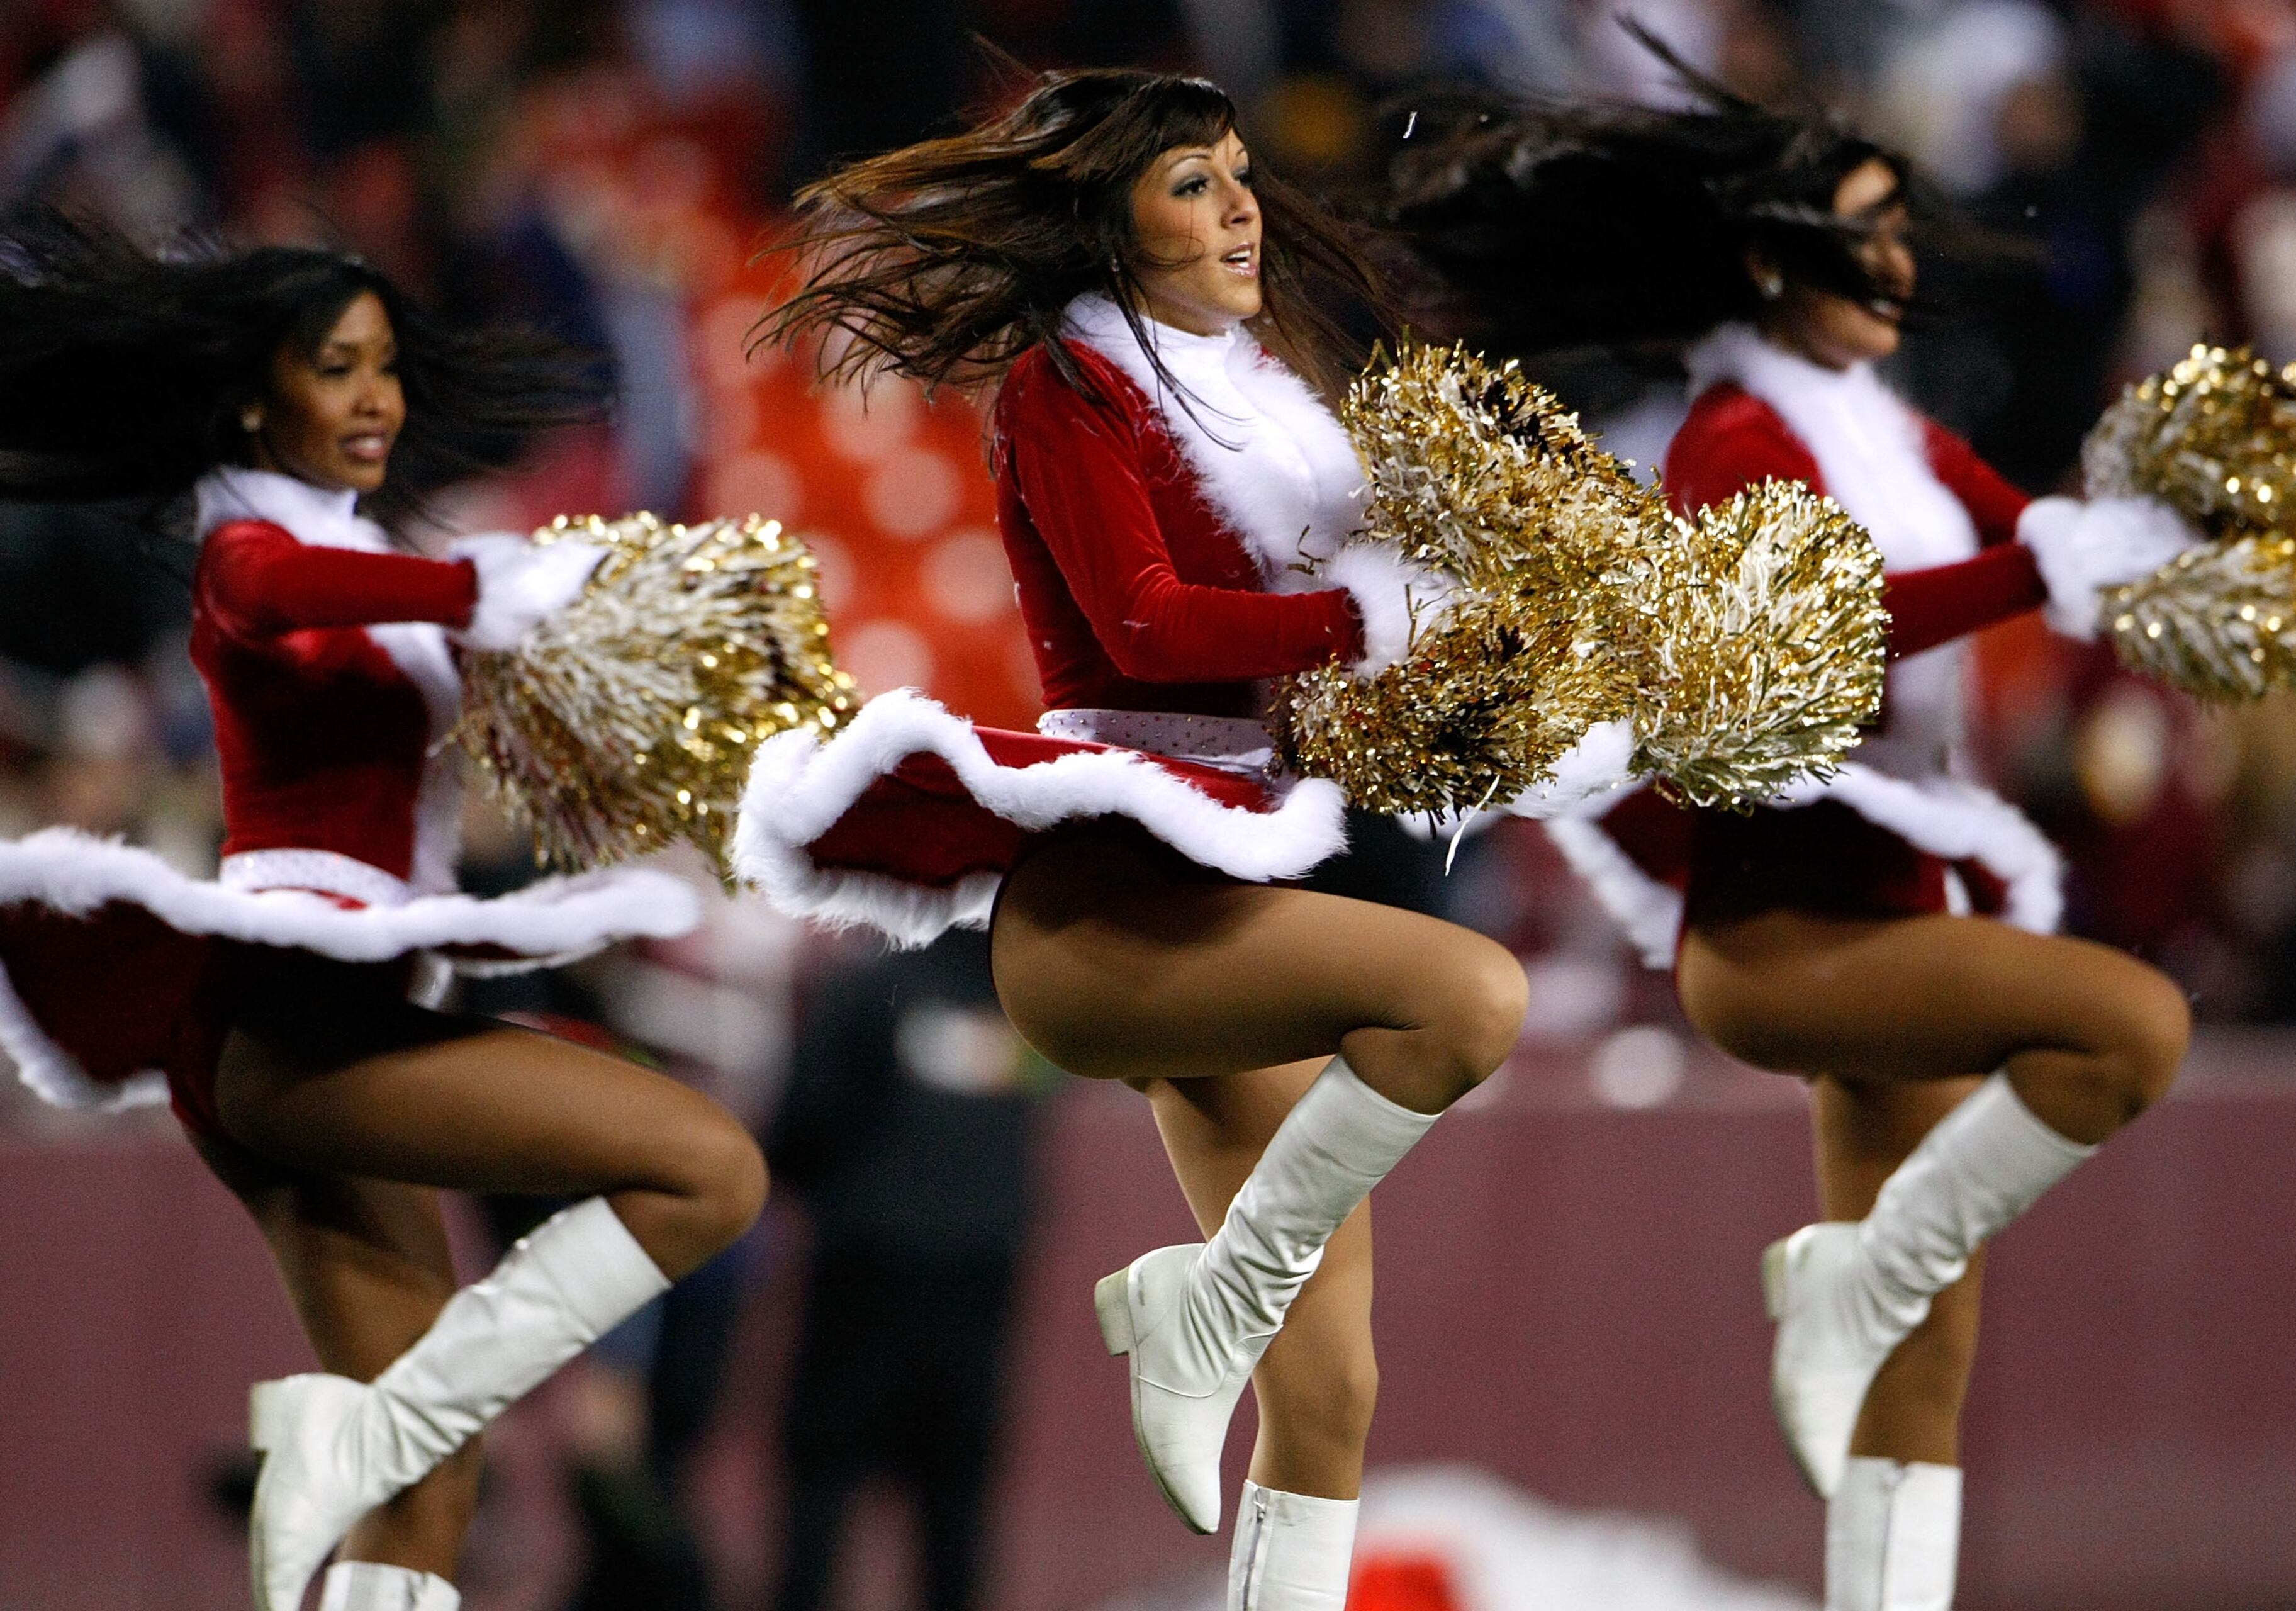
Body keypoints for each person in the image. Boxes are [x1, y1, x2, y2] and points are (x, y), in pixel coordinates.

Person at [1384, 55, 2195, 1611]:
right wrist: (2047, 570)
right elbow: (1837, 624)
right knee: (2125, 1025)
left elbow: (2029, 530)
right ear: (1768, 258)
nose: (1899, 263)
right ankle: (1850, 1279)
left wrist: (2184, 534)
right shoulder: (1728, 440)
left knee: (1924, 1357)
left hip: (1904, 897)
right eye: (1863, 232)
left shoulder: (1882, 430)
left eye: (1903, 229)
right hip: (1784, 928)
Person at [736, 69, 1530, 1611]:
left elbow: (1311, 664)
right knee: (1468, 998)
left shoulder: (1264, 398)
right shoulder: (1066, 387)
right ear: (1108, 223)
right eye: (1191, 182)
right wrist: (1379, 618)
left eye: (1240, 174)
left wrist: (1501, 665)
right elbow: (1148, 626)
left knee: (1333, 1386)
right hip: (1110, 904)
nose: (1239, 204)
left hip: (1230, 891)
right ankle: (1203, 1304)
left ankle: (1217, 1326)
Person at [0, 208, 768, 1611]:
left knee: (436, 1486)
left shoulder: (368, 552)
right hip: (299, 1026)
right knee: (711, 1167)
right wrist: (490, 584)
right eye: (338, 366)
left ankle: (365, 1448)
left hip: (328, 1026)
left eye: (388, 366)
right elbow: (270, 591)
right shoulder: (249, 542)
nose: (379, 398)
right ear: (253, 396)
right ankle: (350, 1439)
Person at [766, 926, 1046, 1611]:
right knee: (954, 1513)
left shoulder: (866, 985)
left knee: (822, 1494)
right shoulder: (1030, 1006)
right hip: (979, 1277)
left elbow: (802, 1125)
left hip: (865, 1277)